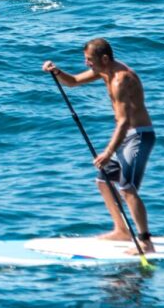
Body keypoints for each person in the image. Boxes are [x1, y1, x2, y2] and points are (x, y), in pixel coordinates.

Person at [42, 38, 156, 251]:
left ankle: (146, 241)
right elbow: (74, 81)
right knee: (103, 181)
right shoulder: (106, 71)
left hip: (139, 136)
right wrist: (57, 72)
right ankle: (122, 231)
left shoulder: (121, 79)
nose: (87, 64)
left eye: (89, 60)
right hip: (125, 136)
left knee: (127, 188)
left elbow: (123, 121)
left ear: (104, 58)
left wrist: (108, 151)